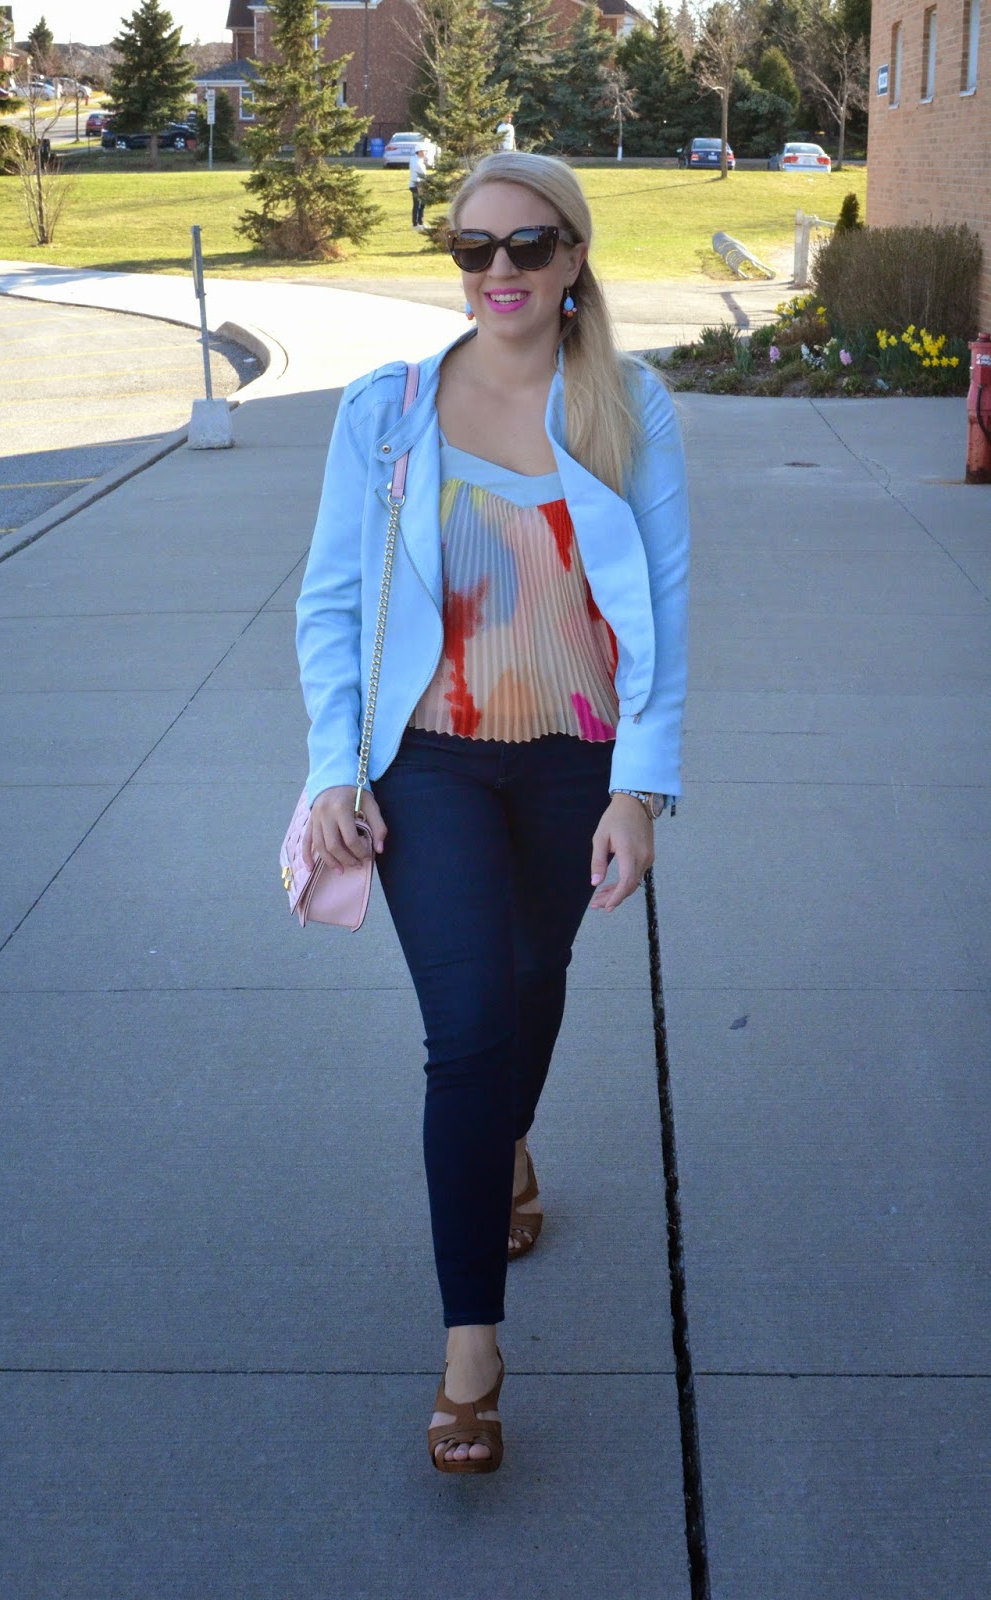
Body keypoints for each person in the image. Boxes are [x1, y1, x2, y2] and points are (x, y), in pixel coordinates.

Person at [296, 151, 689, 1475]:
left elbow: (664, 615)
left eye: (527, 246)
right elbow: (331, 602)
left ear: (573, 257)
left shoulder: (627, 406)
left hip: (576, 758)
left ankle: (507, 1142)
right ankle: (472, 1347)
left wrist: (639, 788)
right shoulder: (388, 409)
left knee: (532, 978)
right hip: (430, 761)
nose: (499, 271)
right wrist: (334, 769)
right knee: (465, 1033)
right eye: (473, 248)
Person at [408, 143, 428, 229]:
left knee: (422, 203)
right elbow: (423, 173)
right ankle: (415, 224)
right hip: (417, 185)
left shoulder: (417, 159)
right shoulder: (416, 162)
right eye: (423, 151)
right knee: (417, 204)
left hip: (420, 184)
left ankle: (420, 222)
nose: (424, 153)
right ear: (419, 152)